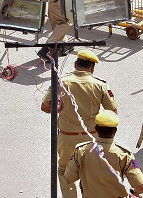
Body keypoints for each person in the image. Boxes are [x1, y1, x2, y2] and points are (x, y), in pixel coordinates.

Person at [41, 50, 117, 198]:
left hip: (67, 137)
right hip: (92, 138)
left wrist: (58, 108)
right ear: (92, 68)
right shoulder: (100, 85)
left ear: (76, 64)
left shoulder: (61, 81)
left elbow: (45, 107)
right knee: (91, 171)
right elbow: (112, 112)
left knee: (64, 171)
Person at [65, 110, 143, 197]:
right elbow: (141, 188)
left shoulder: (81, 151)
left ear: (96, 129)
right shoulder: (124, 154)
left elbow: (69, 179)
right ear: (115, 131)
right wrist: (133, 192)